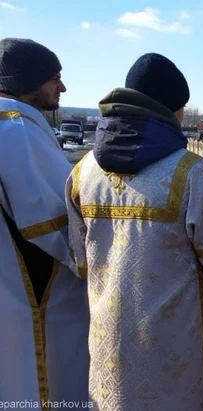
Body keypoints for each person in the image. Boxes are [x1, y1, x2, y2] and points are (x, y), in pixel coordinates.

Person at [65, 53, 203, 411]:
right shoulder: (190, 172)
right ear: (172, 110)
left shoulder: (83, 170)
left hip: (107, 331)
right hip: (173, 337)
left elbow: (81, 258)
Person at [0, 38, 90, 408]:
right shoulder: (16, 128)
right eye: (55, 78)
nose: (63, 88)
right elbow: (58, 226)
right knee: (47, 387)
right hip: (40, 299)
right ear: (28, 81)